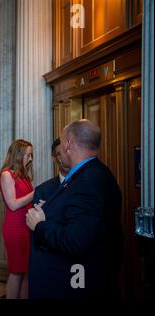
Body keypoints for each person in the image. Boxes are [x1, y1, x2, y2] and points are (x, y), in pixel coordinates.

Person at [26, 119, 123, 299]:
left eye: (62, 141)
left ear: (68, 143)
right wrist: (48, 210)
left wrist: (40, 225)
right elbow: (74, 215)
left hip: (73, 286)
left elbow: (76, 241)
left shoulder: (88, 181)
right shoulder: (89, 174)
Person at [0, 139, 34, 299]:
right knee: (16, 272)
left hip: (27, 227)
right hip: (15, 228)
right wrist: (36, 193)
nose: (31, 158)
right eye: (28, 155)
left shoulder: (24, 176)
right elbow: (12, 204)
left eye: (31, 155)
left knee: (26, 272)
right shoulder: (6, 174)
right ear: (18, 155)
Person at [33, 138, 70, 204]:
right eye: (59, 154)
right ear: (54, 158)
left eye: (66, 153)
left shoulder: (88, 184)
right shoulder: (42, 191)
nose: (64, 158)